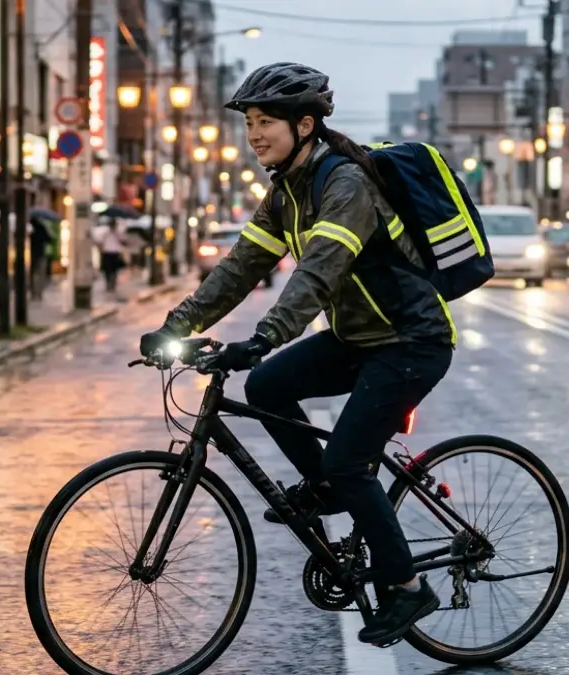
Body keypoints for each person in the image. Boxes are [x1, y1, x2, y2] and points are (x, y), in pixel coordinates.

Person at [138, 63, 457, 646]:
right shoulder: (286, 192)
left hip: (412, 341)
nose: (254, 133)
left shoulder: (345, 185)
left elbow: (316, 273)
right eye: (250, 123)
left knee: (345, 460)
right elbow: (241, 267)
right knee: (265, 388)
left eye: (266, 122)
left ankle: (409, 588)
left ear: (305, 125)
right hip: (359, 337)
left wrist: (264, 337)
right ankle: (333, 489)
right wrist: (176, 324)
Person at [96, 219, 126, 293]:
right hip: (107, 252)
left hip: (115, 253)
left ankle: (112, 283)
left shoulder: (118, 233)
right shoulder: (105, 233)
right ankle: (109, 283)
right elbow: (100, 242)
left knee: (114, 270)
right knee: (107, 270)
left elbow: (123, 241)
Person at [29, 214, 53, 301]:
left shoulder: (29, 229)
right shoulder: (42, 227)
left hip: (31, 254)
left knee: (33, 274)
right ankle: (38, 294)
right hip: (41, 253)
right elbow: (49, 239)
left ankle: (33, 293)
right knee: (40, 274)